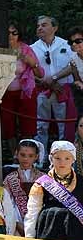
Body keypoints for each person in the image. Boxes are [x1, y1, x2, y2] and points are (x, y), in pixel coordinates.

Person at [25, 141, 83, 240]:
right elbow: (32, 212)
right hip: (49, 230)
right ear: (51, 158)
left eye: (67, 158)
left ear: (73, 159)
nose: (62, 162)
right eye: (57, 158)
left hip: (76, 234)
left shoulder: (81, 181)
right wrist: (30, 237)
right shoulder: (41, 184)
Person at [1, 23, 43, 154]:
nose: (11, 36)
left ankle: (28, 154)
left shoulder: (26, 49)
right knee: (7, 125)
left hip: (25, 92)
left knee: (28, 124)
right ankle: (14, 155)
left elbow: (40, 74)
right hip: (5, 93)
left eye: (14, 33)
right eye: (8, 32)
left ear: (19, 34)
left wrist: (32, 63)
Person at [33, 15, 72, 149]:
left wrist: (54, 78)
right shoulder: (32, 48)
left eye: (44, 25)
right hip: (41, 90)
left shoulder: (66, 45)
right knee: (41, 125)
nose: (40, 28)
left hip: (62, 90)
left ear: (54, 28)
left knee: (64, 125)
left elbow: (73, 65)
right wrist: (46, 82)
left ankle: (64, 154)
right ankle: (40, 158)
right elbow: (28, 71)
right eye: (38, 26)